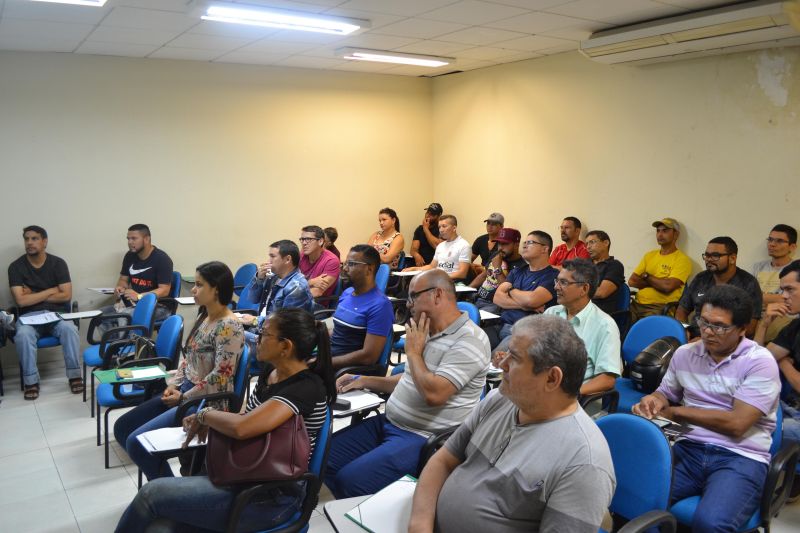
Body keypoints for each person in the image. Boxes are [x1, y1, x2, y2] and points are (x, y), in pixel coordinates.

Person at [115, 307, 335, 533]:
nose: (256, 339)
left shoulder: (305, 387)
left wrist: (205, 414)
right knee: (157, 521)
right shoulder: (272, 372)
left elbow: (243, 427)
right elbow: (250, 417)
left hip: (270, 496)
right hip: (249, 474)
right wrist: (213, 420)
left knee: (150, 497)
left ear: (285, 346)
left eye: (264, 334)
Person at [408, 315, 615, 533]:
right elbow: (443, 460)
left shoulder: (584, 463)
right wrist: (420, 523)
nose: (502, 363)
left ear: (552, 379)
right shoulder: (500, 399)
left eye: (514, 358)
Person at [325, 270, 490, 498]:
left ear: (437, 295)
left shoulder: (471, 340)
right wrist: (363, 380)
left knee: (350, 481)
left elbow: (434, 394)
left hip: (422, 436)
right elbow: (412, 378)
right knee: (325, 456)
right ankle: (362, 504)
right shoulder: (427, 330)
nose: (409, 304)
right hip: (390, 422)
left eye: (413, 296)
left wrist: (413, 352)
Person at [633, 285, 780, 533]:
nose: (708, 332)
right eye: (703, 322)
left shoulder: (760, 362)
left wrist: (677, 412)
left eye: (720, 326)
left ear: (743, 329)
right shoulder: (685, 353)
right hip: (690, 449)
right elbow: (666, 393)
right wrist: (654, 399)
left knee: (710, 524)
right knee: (637, 499)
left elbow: (737, 424)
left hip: (740, 456)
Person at [113, 261, 244, 481]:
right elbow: (188, 358)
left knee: (136, 444)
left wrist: (184, 396)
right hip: (184, 391)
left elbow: (221, 378)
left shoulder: (228, 326)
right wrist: (174, 384)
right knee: (122, 427)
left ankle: (166, 492)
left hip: (203, 401)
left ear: (217, 289)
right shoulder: (205, 317)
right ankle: (163, 474)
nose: (193, 289)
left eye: (200, 285)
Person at [7, 225, 82, 400]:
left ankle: (75, 376)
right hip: (29, 317)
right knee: (23, 335)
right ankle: (31, 381)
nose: (29, 243)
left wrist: (33, 295)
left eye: (34, 238)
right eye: (26, 239)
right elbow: (21, 301)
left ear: (44, 241)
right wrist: (50, 291)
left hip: (57, 315)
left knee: (70, 330)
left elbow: (66, 295)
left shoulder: (58, 263)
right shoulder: (16, 267)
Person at [542, 259, 621, 396]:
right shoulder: (551, 313)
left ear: (584, 289)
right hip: (543, 386)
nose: (556, 287)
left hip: (575, 398)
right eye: (557, 281)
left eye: (564, 282)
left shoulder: (604, 325)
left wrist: (568, 395)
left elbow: (607, 379)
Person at [676, 236, 762, 339]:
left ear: (732, 258)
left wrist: (707, 339)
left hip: (726, 342)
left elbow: (750, 328)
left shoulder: (748, 283)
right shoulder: (701, 278)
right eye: (707, 255)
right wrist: (684, 331)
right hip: (694, 337)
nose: (709, 259)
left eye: (715, 255)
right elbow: (681, 311)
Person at [237, 240, 314, 351]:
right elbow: (253, 299)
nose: (269, 261)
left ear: (287, 259)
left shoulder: (297, 287)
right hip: (263, 329)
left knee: (230, 335)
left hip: (279, 341)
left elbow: (284, 325)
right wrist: (259, 278)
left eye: (272, 256)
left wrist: (254, 321)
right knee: (227, 330)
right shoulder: (273, 276)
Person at [490, 230, 558, 349]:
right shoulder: (517, 271)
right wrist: (524, 305)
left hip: (524, 332)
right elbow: (497, 298)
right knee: (471, 343)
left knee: (493, 360)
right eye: (524, 242)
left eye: (530, 242)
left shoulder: (553, 276)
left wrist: (510, 290)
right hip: (499, 323)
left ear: (545, 249)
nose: (524, 245)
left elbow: (532, 300)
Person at [757, 260, 800, 445]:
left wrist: (783, 363)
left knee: (748, 432)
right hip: (789, 408)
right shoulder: (795, 326)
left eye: (790, 290)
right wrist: (765, 323)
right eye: (782, 290)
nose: (783, 296)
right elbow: (756, 362)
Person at [329, 245, 394, 369]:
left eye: (352, 264)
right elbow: (340, 331)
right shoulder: (348, 292)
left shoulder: (380, 305)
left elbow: (369, 356)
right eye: (345, 263)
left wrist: (326, 363)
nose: (345, 269)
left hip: (344, 368)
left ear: (369, 269)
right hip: (330, 356)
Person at [101, 224, 174, 329]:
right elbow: (123, 279)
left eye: (134, 238)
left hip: (159, 306)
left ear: (147, 239)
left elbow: (164, 290)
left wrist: (139, 296)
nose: (130, 242)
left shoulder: (162, 259)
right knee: (101, 315)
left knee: (126, 316)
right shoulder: (129, 256)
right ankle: (114, 343)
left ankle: (129, 345)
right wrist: (120, 288)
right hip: (133, 303)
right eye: (128, 239)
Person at [628, 218, 692, 322]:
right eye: (658, 231)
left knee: (644, 332)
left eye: (665, 230)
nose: (660, 234)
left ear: (676, 234)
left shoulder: (682, 260)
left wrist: (646, 276)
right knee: (618, 324)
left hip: (659, 308)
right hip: (636, 304)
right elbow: (632, 281)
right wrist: (658, 281)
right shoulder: (649, 256)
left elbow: (667, 287)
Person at [752, 224, 797, 342]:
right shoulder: (758, 267)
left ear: (792, 247)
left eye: (779, 241)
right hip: (755, 315)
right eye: (770, 239)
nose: (772, 244)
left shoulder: (795, 269)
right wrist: (775, 298)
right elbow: (747, 297)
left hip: (781, 317)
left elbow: (790, 301)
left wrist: (760, 298)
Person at [471, 228, 526, 313]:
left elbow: (507, 291)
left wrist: (497, 268)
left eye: (505, 244)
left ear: (516, 245)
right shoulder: (497, 255)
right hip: (477, 297)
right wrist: (467, 288)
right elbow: (484, 275)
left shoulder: (521, 266)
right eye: (499, 243)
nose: (500, 248)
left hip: (494, 305)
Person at [403, 215, 471, 281]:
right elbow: (432, 266)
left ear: (454, 228)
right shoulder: (440, 246)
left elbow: (462, 273)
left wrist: (439, 278)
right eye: (439, 227)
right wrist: (414, 269)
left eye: (444, 226)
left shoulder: (464, 245)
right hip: (438, 281)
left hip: (452, 282)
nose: (441, 230)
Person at [585, 230, 626, 315]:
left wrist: (575, 292)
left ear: (606, 243)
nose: (588, 247)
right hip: (578, 308)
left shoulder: (614, 265)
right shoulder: (583, 264)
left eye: (592, 242)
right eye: (587, 244)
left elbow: (601, 293)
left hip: (599, 313)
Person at [298, 225, 340, 298]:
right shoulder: (301, 255)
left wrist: (292, 291)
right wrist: (311, 282)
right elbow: (288, 279)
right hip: (297, 298)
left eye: (308, 239)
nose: (304, 243)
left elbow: (316, 292)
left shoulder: (332, 261)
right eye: (302, 239)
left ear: (320, 241)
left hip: (315, 303)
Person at [410, 203, 444, 267]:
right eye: (427, 212)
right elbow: (413, 250)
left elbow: (436, 246)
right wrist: (416, 255)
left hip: (436, 264)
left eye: (432, 214)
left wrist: (426, 229)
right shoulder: (419, 229)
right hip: (421, 264)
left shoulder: (442, 228)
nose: (428, 215)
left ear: (439, 216)